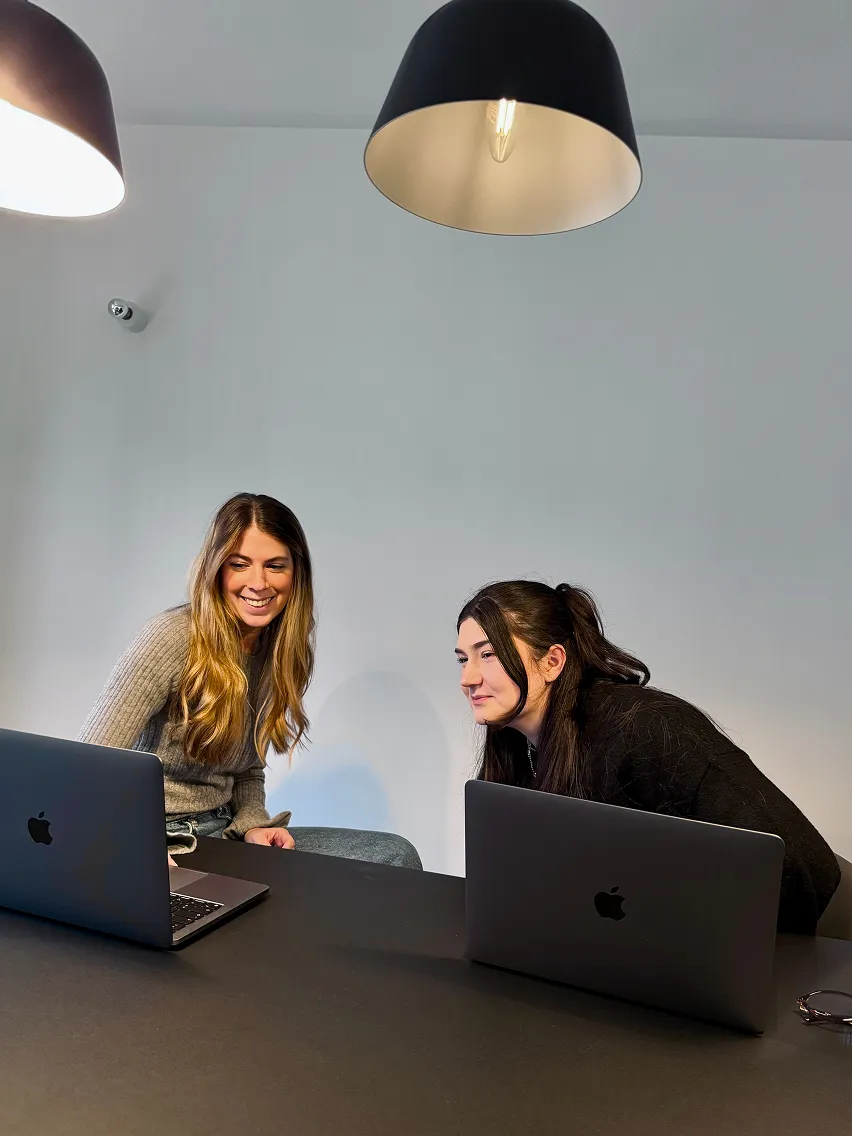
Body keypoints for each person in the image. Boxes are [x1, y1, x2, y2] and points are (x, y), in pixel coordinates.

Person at [455, 580, 839, 933]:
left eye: (488, 654)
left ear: (553, 661)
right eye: (462, 659)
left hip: (823, 932)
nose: (467, 678)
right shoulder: (515, 745)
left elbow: (801, 866)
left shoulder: (646, 728)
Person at [79, 493, 421, 869]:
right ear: (216, 569)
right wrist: (136, 849)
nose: (258, 583)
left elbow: (245, 768)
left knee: (394, 854)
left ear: (296, 574)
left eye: (275, 566)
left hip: (223, 835)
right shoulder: (171, 638)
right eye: (240, 564)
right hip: (155, 837)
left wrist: (253, 822)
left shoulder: (275, 650)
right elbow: (90, 765)